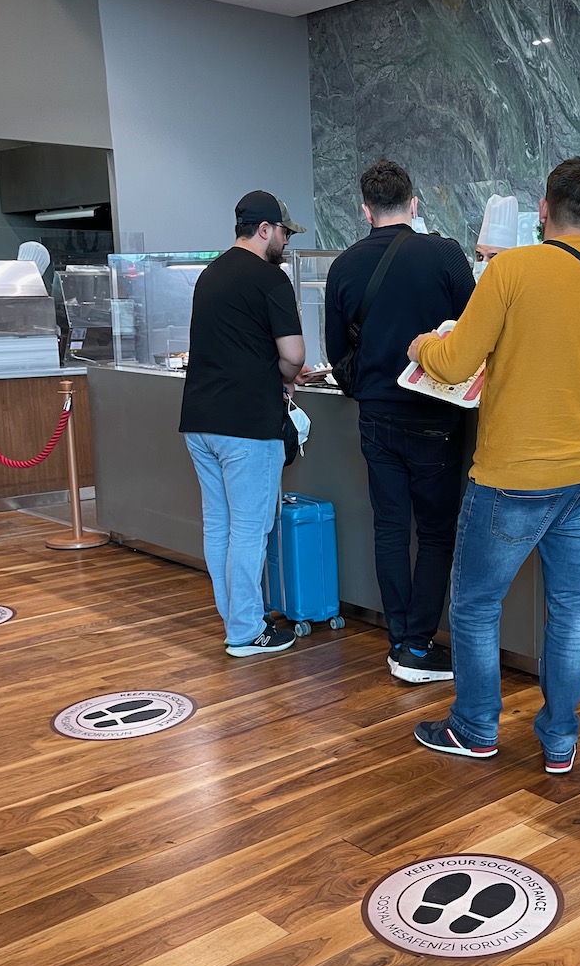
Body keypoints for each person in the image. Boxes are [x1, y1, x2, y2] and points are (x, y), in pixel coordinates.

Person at [405, 155, 580, 774]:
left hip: (515, 477)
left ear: (542, 211)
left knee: (474, 604)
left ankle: (474, 728)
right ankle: (560, 739)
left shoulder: (510, 269)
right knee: (572, 608)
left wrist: (421, 346)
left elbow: (454, 359)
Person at [324, 159, 476, 682]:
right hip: (435, 414)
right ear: (414, 204)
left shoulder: (343, 266)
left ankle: (400, 642)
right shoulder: (444, 254)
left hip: (375, 416)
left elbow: (334, 350)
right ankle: (416, 647)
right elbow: (475, 333)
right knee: (435, 533)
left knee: (389, 527)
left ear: (365, 210)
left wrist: (365, 389)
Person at [179, 190, 309, 657]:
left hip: (200, 419)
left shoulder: (209, 274)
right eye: (284, 232)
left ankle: (235, 618)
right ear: (264, 229)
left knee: (220, 525)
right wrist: (288, 378)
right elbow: (293, 354)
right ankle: (246, 631)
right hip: (247, 424)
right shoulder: (270, 279)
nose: (286, 242)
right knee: (250, 530)